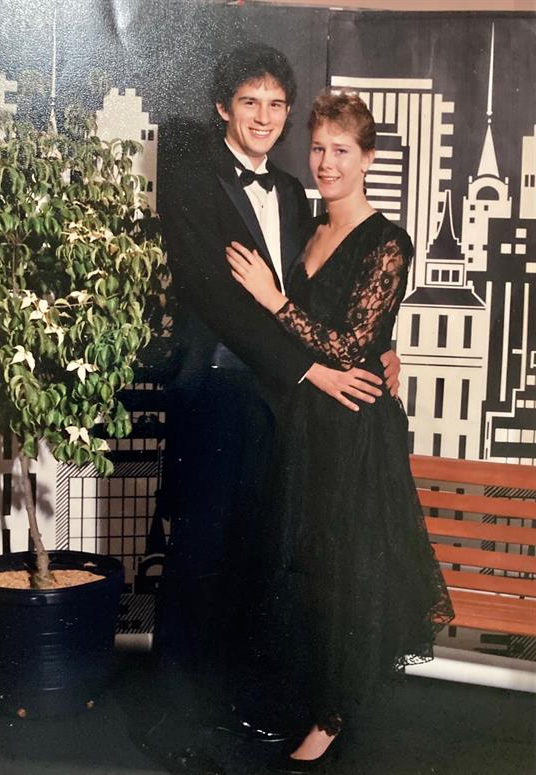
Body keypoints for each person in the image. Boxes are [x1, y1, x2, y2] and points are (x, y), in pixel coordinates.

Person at [153, 41, 402, 742]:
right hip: (219, 394)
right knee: (199, 554)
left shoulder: (295, 196)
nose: (262, 117)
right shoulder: (189, 177)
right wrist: (310, 370)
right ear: (221, 107)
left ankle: (235, 705)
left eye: (274, 104)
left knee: (256, 557)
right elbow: (218, 299)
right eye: (248, 102)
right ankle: (173, 721)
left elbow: (317, 302)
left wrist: (381, 342)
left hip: (279, 408)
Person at [226, 90, 454, 773]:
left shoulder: (387, 240)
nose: (325, 162)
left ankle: (331, 714)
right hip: (302, 423)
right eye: (318, 147)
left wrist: (273, 299)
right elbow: (324, 344)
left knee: (344, 571)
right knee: (300, 564)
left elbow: (353, 343)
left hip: (355, 429)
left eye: (341, 150)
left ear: (369, 159)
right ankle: (304, 695)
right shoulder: (305, 226)